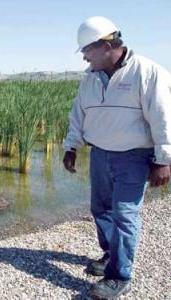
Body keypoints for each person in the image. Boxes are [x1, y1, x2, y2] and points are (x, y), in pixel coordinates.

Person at [63, 16, 171, 299]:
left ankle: (120, 277)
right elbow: (79, 114)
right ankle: (111, 255)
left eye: (87, 49)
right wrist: (71, 147)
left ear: (107, 45)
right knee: (101, 208)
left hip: (134, 157)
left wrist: (164, 159)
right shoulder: (90, 79)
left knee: (125, 214)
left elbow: (163, 119)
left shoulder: (147, 72)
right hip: (100, 154)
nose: (84, 57)